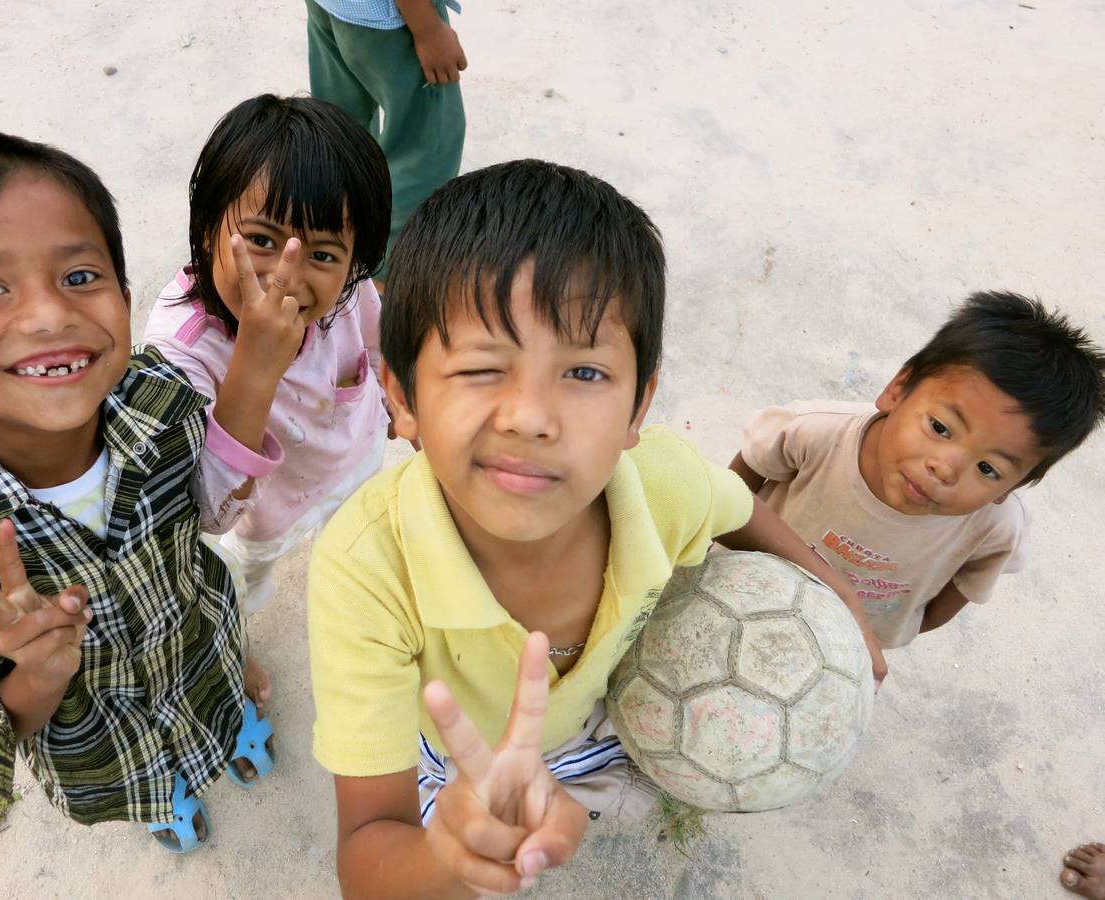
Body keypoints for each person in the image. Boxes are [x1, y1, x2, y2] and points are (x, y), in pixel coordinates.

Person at [305, 159, 887, 897]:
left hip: (592, 733)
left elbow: (744, 514)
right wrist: (447, 856)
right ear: (402, 398)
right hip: (456, 760)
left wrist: (838, 597)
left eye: (582, 373)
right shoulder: (366, 572)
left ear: (637, 410)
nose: (530, 418)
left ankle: (571, 800)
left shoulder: (662, 483)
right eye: (482, 367)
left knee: (580, 791)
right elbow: (366, 855)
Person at [0, 130, 275, 853]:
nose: (47, 314)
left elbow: (207, 514)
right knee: (152, 786)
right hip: (102, 747)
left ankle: (236, 728)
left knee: (232, 710)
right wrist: (36, 672)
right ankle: (168, 800)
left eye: (78, 276)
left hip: (203, 653)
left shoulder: (161, 401)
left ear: (123, 302)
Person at [142, 94, 392, 728]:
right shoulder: (181, 350)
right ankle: (233, 649)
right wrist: (254, 362)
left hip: (356, 462)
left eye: (323, 254)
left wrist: (400, 399)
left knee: (360, 542)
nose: (287, 274)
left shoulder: (351, 291)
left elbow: (380, 344)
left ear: (355, 261)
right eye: (260, 239)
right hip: (261, 514)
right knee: (239, 585)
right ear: (206, 230)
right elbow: (206, 508)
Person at [730, 292, 1105, 650]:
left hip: (847, 647)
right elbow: (729, 492)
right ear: (898, 388)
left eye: (988, 468)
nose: (944, 469)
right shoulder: (814, 433)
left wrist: (896, 628)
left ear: (1012, 486)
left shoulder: (995, 527)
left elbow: (962, 589)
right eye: (940, 428)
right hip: (742, 589)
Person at [304, 0, 466, 281]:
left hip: (331, 8)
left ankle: (328, 250)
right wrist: (428, 30)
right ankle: (382, 282)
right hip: (393, 19)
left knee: (340, 131)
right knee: (425, 152)